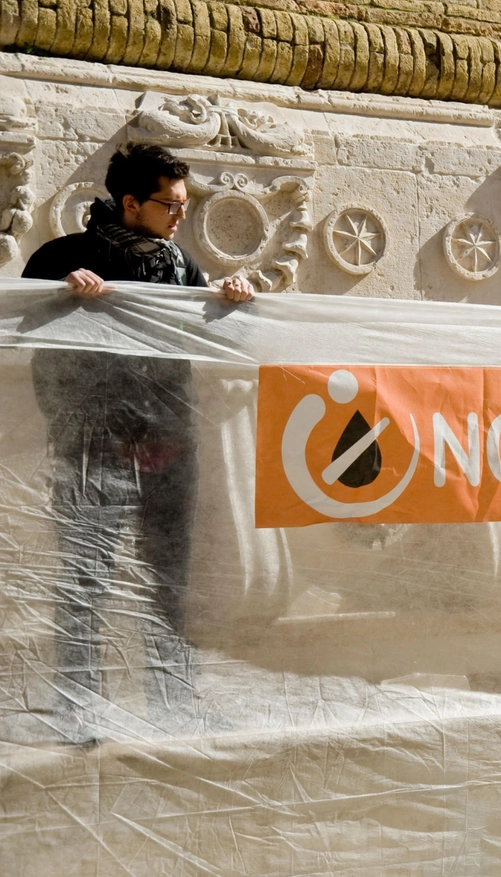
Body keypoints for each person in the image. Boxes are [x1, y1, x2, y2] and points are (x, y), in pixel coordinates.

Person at [21, 143, 255, 743]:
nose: (180, 216)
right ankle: (76, 710)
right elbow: (23, 335)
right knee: (87, 578)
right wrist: (58, 297)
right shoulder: (61, 259)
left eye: (183, 203)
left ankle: (173, 704)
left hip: (170, 445)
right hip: (92, 446)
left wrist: (230, 300)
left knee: (170, 580)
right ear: (130, 202)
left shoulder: (182, 267)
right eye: (169, 204)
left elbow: (209, 339)